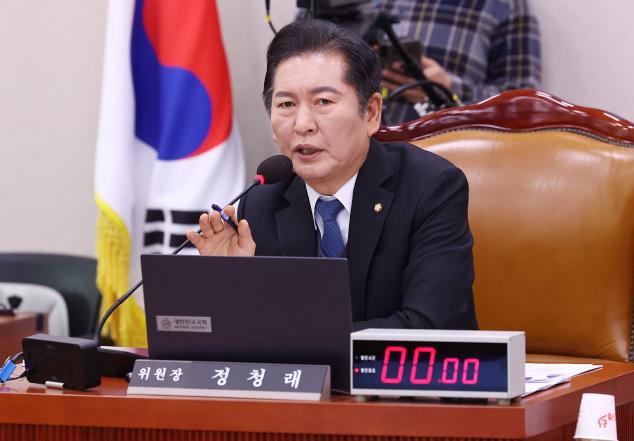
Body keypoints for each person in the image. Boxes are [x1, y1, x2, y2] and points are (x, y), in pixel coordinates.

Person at [186, 19, 477, 331]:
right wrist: (230, 284)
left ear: (371, 113)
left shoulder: (429, 188)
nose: (302, 124)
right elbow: (249, 344)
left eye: (323, 101)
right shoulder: (261, 202)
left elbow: (429, 326)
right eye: (286, 104)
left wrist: (294, 335)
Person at [377, 0, 541, 124]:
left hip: (443, 156)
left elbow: (524, 107)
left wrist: (449, 90)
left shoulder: (507, 5)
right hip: (365, 151)